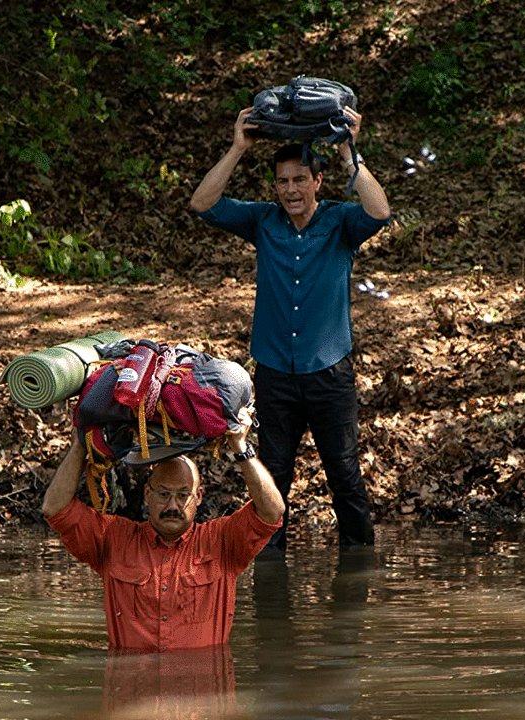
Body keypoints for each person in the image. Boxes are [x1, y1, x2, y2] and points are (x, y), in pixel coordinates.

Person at [189, 104, 391, 549]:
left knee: (345, 478)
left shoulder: (340, 221)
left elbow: (379, 211)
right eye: (283, 182)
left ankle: (359, 578)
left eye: (300, 179)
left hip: (329, 374)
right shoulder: (263, 220)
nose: (291, 189)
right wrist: (238, 147)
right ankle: (269, 581)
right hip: (276, 373)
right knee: (273, 479)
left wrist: (347, 153)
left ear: (317, 181)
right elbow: (202, 204)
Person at [42, 414, 285, 653]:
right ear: (147, 494)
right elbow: (55, 508)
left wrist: (240, 447)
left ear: (198, 497)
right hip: (132, 687)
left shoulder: (222, 542)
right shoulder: (114, 539)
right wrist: (79, 446)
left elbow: (272, 511)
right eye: (163, 494)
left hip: (202, 689)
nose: (172, 506)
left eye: (182, 495)